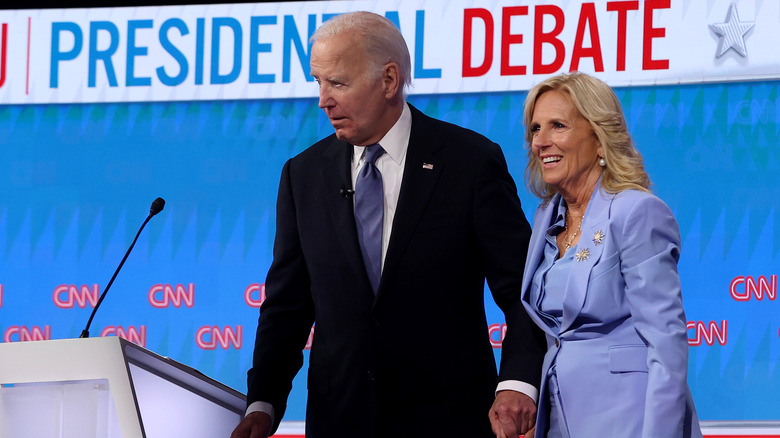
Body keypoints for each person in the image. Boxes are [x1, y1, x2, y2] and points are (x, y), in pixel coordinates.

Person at [230, 11, 546, 438]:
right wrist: (263, 402)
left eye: (337, 83)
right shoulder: (302, 175)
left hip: (448, 420)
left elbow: (524, 293)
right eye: (318, 82)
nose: (323, 99)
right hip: (340, 421)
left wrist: (517, 384)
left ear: (389, 80)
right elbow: (287, 306)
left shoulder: (469, 163)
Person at [517, 71, 702, 437]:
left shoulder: (636, 212)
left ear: (599, 139)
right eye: (536, 129)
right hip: (559, 420)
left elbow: (666, 342)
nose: (542, 141)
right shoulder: (545, 217)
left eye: (558, 126)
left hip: (629, 417)